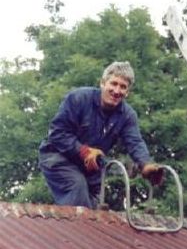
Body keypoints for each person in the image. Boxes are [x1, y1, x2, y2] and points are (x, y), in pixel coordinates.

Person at [39, 61, 163, 209]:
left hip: (90, 166)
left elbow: (135, 141)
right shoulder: (79, 98)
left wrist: (145, 163)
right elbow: (57, 133)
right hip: (58, 157)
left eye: (123, 87)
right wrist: (84, 151)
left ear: (127, 92)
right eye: (114, 84)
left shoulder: (127, 115)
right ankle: (77, 228)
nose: (117, 91)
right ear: (103, 83)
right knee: (77, 189)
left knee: (98, 203)